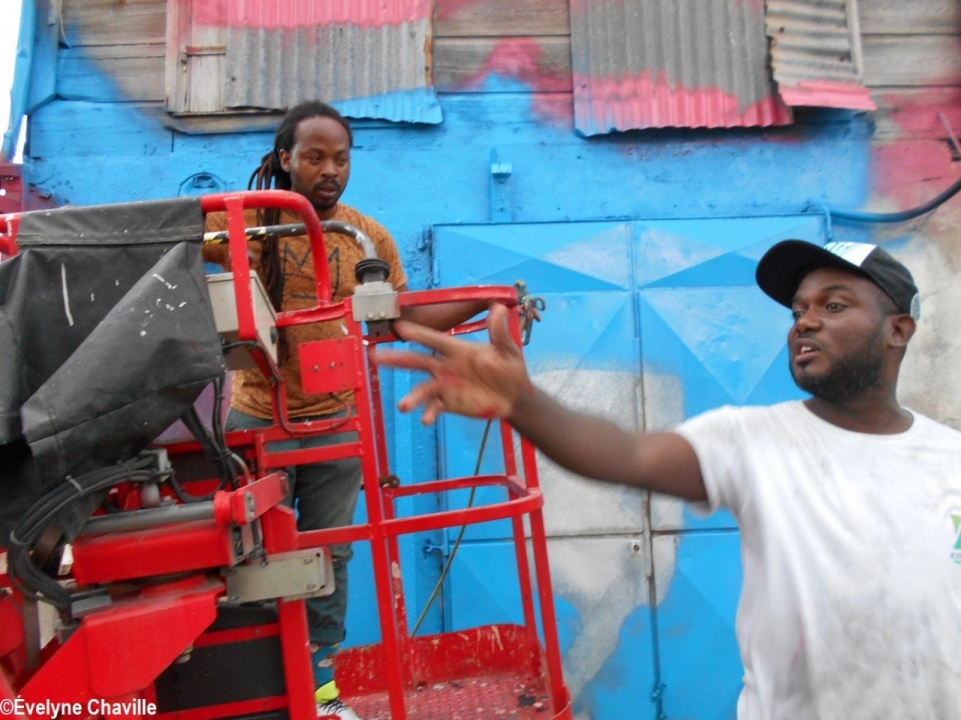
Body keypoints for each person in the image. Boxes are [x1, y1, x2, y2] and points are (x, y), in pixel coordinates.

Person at [374, 239, 961, 719]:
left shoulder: (950, 459)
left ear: (898, 330)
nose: (805, 321)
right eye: (798, 310)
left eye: (833, 306)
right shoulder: (757, 440)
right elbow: (623, 454)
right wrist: (523, 403)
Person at [203, 100, 484, 720]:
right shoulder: (250, 223)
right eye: (314, 157)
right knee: (251, 556)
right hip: (259, 421)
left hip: (335, 423)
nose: (330, 170)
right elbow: (188, 246)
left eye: (341, 158)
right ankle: (257, 693)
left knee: (330, 554)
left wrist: (485, 302)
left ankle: (321, 691)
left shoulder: (366, 238)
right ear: (285, 159)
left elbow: (401, 317)